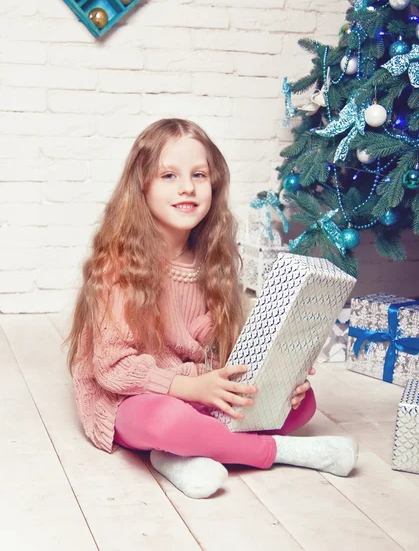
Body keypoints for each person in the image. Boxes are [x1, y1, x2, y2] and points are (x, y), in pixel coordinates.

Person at [66, 118, 358, 499]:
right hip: (131, 396)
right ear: (142, 186)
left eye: (198, 175)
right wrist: (190, 388)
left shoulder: (212, 264)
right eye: (168, 175)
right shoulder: (119, 266)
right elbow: (112, 368)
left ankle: (176, 456)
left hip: (195, 391)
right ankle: (279, 452)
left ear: (214, 184)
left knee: (302, 404)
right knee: (165, 419)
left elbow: (222, 355)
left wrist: (281, 373)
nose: (187, 187)